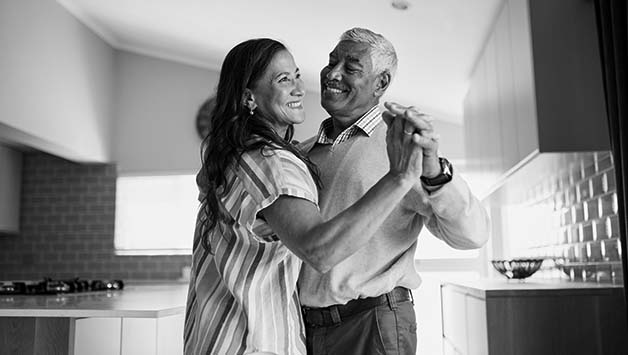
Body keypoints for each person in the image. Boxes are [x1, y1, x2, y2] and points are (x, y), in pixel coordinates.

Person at [184, 38, 430, 355]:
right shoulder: (269, 161)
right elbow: (320, 249)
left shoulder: (242, 155)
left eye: (297, 75)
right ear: (249, 96)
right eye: (283, 80)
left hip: (220, 337)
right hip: (250, 341)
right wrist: (399, 176)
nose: (300, 89)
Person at [298, 28, 491, 355]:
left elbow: (472, 235)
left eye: (351, 67)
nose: (333, 73)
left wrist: (431, 169)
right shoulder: (302, 152)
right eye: (332, 62)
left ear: (381, 83)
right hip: (306, 327)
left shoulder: (401, 147)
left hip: (371, 324)